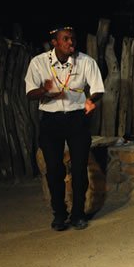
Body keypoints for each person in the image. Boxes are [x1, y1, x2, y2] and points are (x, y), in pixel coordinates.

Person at [25, 26, 105, 231]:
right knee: (54, 169)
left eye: (73, 39)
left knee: (79, 168)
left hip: (77, 119)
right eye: (66, 39)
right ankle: (59, 214)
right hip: (51, 121)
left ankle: (78, 214)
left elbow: (97, 89)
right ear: (55, 43)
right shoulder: (39, 62)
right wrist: (44, 90)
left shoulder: (86, 61)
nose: (71, 43)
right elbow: (30, 93)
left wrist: (90, 99)